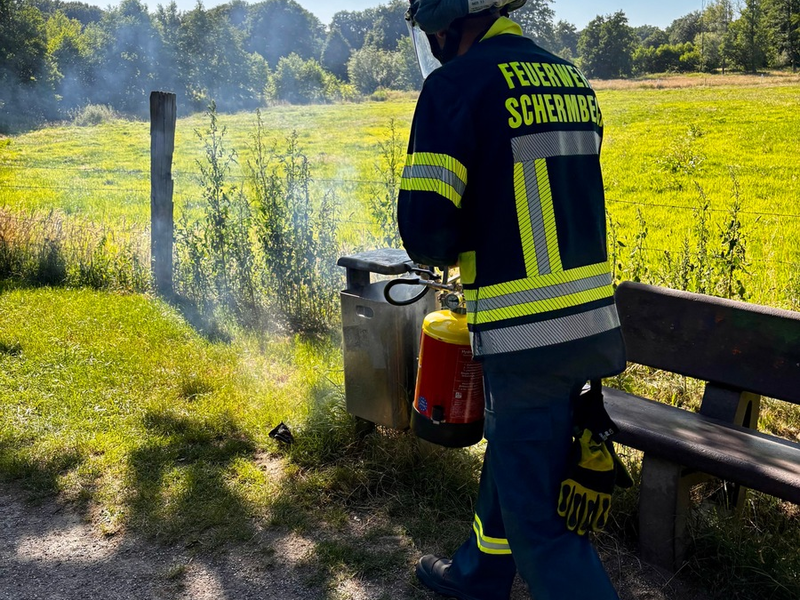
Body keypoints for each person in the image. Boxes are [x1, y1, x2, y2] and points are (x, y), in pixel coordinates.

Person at [397, 1, 628, 599]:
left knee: (542, 532)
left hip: (527, 334)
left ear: (445, 24)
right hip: (588, 322)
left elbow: (426, 229)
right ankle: (479, 575)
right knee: (515, 455)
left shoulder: (454, 87)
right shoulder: (572, 81)